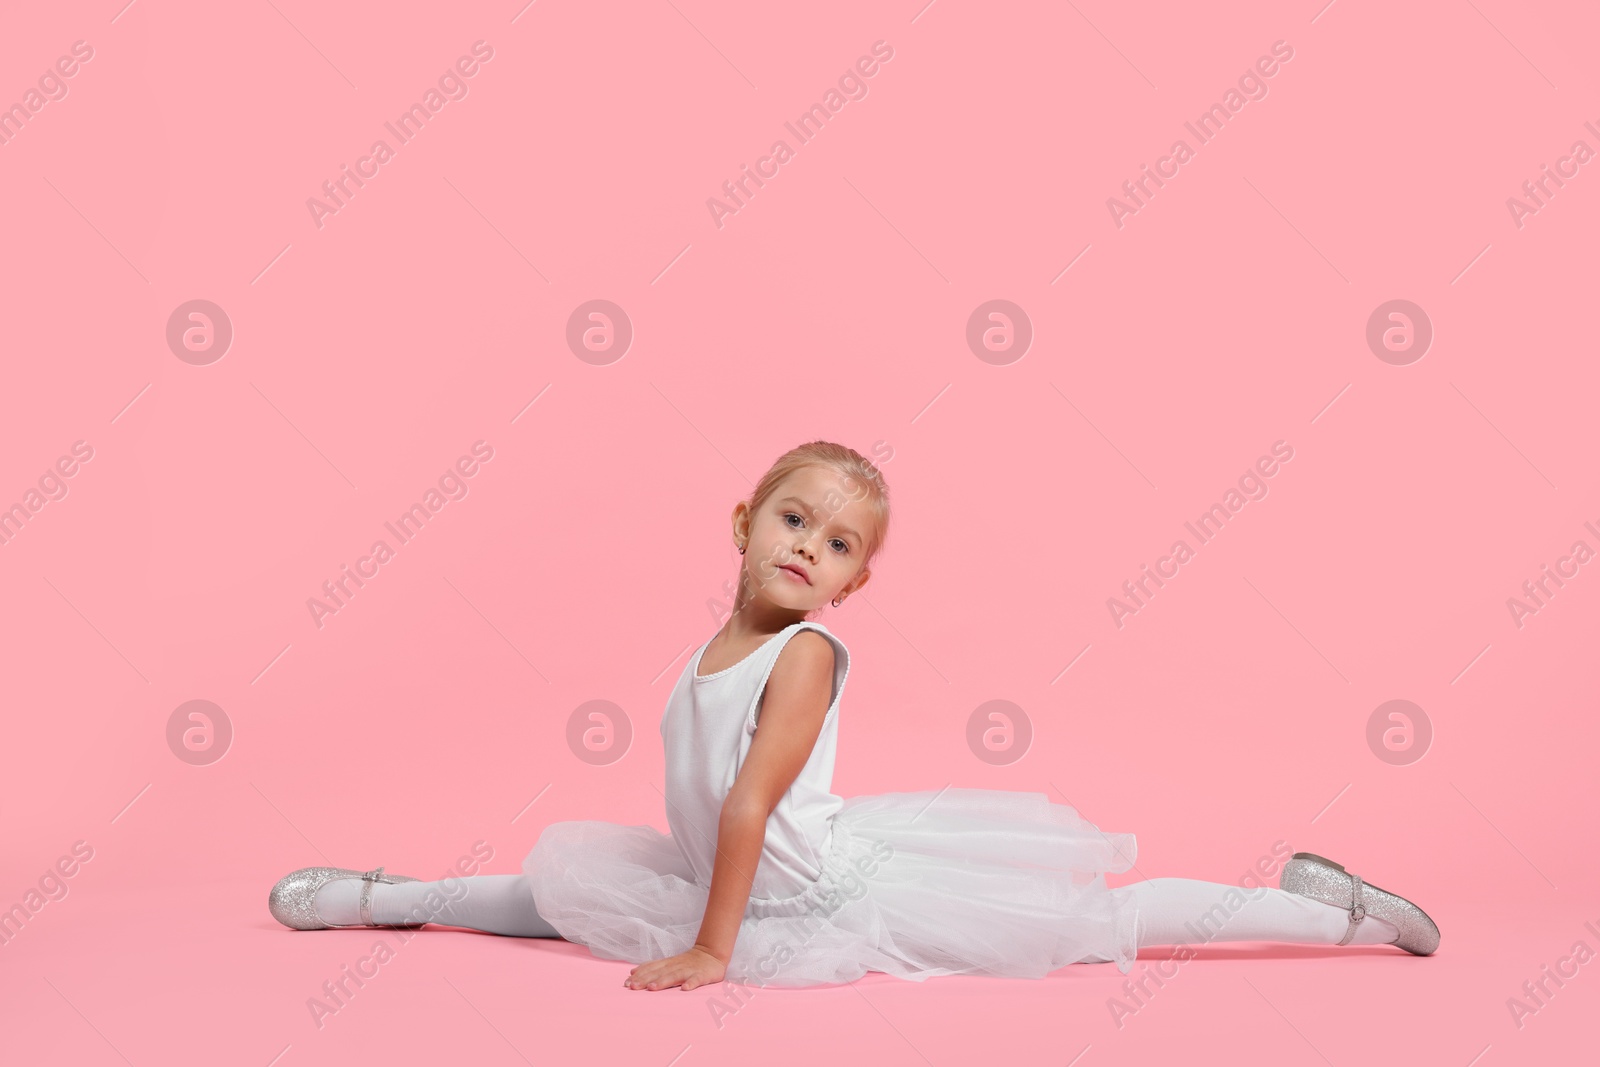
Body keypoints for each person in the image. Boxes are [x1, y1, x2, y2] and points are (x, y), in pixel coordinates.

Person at [269, 440, 1438, 991]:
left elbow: (748, 799)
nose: (807, 548)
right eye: (793, 519)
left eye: (837, 545)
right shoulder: (721, 642)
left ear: (849, 584)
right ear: (743, 520)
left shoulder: (807, 653)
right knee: (565, 890)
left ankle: (1340, 917)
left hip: (804, 884)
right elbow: (704, 808)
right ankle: (380, 895)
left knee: (1097, 921)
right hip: (718, 867)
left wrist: (714, 948)